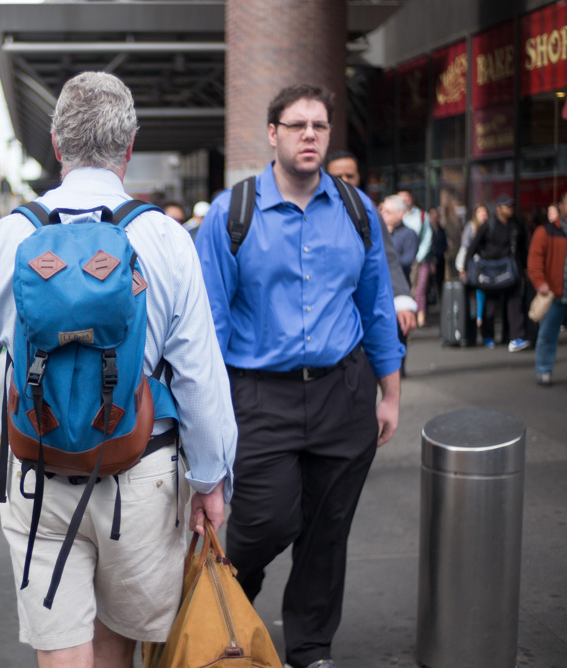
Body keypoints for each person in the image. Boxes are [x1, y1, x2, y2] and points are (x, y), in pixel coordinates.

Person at [0, 72, 236, 668]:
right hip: (139, 472)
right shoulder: (165, 238)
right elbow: (199, 375)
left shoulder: (10, 236)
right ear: (130, 144)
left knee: (62, 647)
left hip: (38, 474)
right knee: (119, 640)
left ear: (55, 143)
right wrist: (210, 481)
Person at [196, 84, 403, 668]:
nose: (309, 135)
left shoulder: (357, 210)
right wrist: (205, 412)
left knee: (327, 529)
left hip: (344, 389)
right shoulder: (230, 213)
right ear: (273, 135)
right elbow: (208, 321)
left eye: (319, 126)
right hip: (259, 395)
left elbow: (377, 302)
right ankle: (227, 604)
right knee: (265, 519)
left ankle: (311, 647)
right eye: (296, 125)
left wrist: (390, 392)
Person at [326, 151, 417, 335]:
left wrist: (401, 299)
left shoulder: (367, 210)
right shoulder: (312, 212)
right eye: (338, 177)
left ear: (358, 177)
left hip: (365, 309)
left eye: (349, 176)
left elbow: (388, 258)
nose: (344, 180)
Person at [465, 194, 530, 351]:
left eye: (512, 206)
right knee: (490, 306)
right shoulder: (488, 225)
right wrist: (468, 268)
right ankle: (488, 336)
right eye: (507, 206)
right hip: (491, 271)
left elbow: (523, 248)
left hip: (510, 270)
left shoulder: (516, 225)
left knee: (514, 303)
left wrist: (525, 268)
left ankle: (515, 337)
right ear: (499, 208)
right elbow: (473, 247)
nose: (510, 210)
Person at [527, 193, 567, 385]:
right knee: (548, 334)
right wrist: (540, 282)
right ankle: (544, 369)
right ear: (561, 206)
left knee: (548, 334)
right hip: (555, 294)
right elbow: (534, 260)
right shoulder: (547, 231)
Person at [380, 195, 419, 377]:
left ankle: (399, 367)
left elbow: (406, 260)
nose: (383, 214)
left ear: (400, 213)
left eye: (387, 211)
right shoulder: (378, 231)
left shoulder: (408, 234)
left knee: (399, 329)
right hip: (380, 288)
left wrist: (388, 261)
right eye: (382, 210)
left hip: (399, 287)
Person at [398, 189, 434, 327]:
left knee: (420, 289)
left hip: (419, 259)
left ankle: (420, 316)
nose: (405, 201)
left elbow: (427, 238)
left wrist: (418, 257)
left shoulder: (421, 216)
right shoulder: (396, 217)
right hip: (401, 261)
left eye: (407, 197)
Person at [457, 204, 491, 337]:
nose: (482, 215)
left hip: (485, 265)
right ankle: (474, 317)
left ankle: (479, 316)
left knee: (481, 292)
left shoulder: (489, 226)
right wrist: (463, 266)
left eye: (484, 212)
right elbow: (465, 247)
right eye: (480, 212)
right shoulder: (471, 227)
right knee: (472, 294)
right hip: (472, 264)